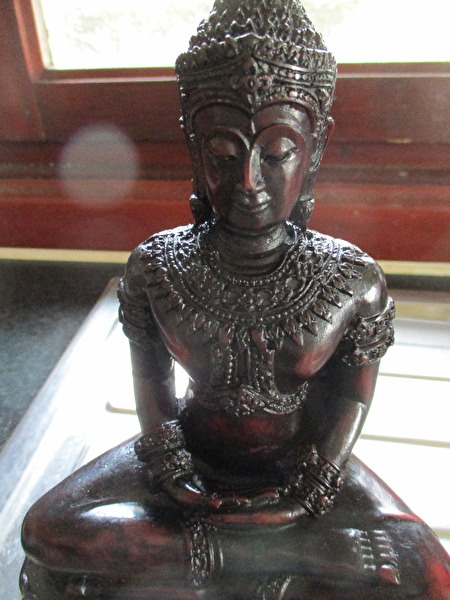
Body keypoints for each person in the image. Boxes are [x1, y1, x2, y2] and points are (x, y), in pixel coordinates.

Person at [20, 1, 449, 598]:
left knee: (428, 571)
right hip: (193, 455)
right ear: (194, 148)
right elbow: (152, 384)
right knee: (48, 531)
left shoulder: (352, 278)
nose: (248, 180)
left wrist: (311, 490)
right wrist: (173, 472)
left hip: (300, 467)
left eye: (276, 154)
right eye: (224, 155)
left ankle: (203, 558)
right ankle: (280, 554)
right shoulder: (157, 267)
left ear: (316, 144)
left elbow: (350, 396)